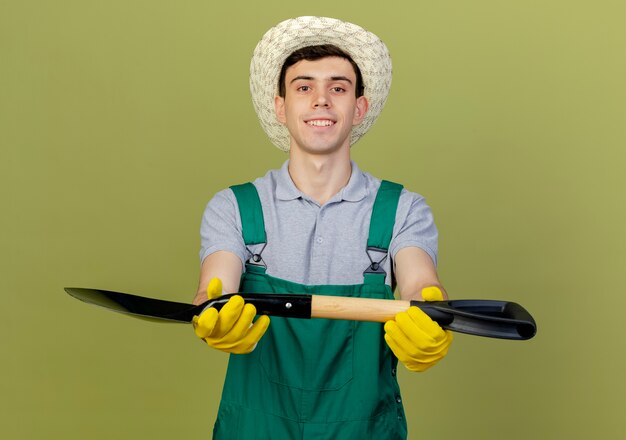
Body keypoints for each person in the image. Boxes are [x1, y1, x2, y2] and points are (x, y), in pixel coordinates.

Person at [191, 16, 453, 439]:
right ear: (281, 106)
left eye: (338, 87)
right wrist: (214, 313)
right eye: (303, 86)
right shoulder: (235, 207)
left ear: (359, 107)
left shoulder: (403, 210)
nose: (321, 100)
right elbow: (214, 286)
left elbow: (420, 283)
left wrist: (429, 311)